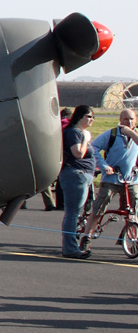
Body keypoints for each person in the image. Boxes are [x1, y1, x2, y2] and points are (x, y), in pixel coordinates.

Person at [87, 109, 138, 231]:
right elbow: (93, 147)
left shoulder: (135, 136)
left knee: (133, 210)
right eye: (126, 119)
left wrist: (131, 133)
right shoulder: (112, 134)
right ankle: (86, 237)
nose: (129, 122)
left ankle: (133, 239)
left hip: (131, 180)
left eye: (132, 119)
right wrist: (104, 166)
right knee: (99, 209)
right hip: (112, 179)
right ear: (120, 120)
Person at [61, 105, 97, 258]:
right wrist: (86, 138)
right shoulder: (74, 132)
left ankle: (71, 247)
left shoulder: (79, 132)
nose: (91, 120)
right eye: (88, 116)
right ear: (79, 117)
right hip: (75, 175)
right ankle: (70, 249)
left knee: (75, 213)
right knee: (73, 214)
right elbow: (78, 153)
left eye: (93, 117)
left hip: (82, 175)